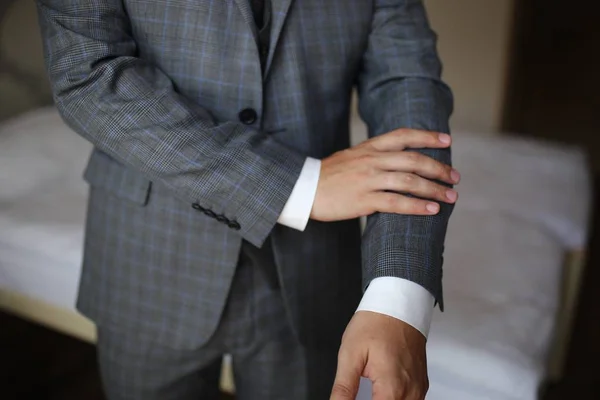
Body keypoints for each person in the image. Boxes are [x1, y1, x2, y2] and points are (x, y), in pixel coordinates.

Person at [36, 1, 458, 399]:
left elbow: (408, 86)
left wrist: (397, 297)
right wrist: (297, 186)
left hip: (312, 271)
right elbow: (88, 74)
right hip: (148, 257)